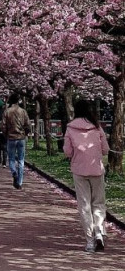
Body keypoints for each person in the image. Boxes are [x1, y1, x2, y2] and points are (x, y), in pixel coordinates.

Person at [63, 99, 109, 253]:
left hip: (79, 170)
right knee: (99, 203)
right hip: (97, 169)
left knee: (84, 206)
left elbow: (67, 152)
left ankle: (90, 241)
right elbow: (105, 149)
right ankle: (99, 232)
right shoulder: (97, 127)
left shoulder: (70, 128)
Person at [1, 92, 31, 190]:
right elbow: (28, 125)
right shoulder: (23, 111)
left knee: (11, 159)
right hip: (21, 137)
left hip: (11, 138)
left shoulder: (7, 111)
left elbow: (3, 125)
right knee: (21, 160)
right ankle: (20, 182)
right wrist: (26, 133)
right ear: (18, 101)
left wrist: (6, 134)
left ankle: (14, 172)